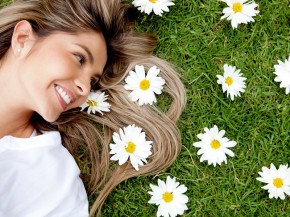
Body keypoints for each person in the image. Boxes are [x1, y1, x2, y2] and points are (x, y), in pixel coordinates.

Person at [0, 0, 186, 216]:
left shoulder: (51, 181)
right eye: (79, 58)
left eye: (93, 81)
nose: (85, 88)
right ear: (23, 39)